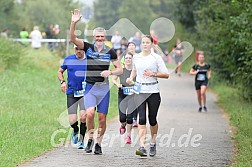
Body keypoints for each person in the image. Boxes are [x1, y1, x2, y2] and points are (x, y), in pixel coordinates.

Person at [70, 9, 123, 155]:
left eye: (102, 36)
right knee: (89, 114)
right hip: (90, 86)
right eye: (97, 36)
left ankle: (98, 143)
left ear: (105, 37)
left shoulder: (110, 52)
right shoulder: (88, 47)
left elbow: (120, 69)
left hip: (103, 88)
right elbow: (73, 38)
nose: (99, 38)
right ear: (94, 37)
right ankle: (90, 139)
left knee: (102, 118)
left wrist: (110, 72)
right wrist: (73, 23)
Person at [126, 35, 169, 157]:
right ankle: (142, 146)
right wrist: (130, 78)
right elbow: (134, 70)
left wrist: (153, 73)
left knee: (152, 119)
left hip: (153, 90)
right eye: (143, 42)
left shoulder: (156, 58)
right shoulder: (137, 57)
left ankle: (153, 143)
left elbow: (166, 75)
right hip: (140, 90)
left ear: (151, 44)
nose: (145, 44)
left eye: (147, 42)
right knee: (141, 118)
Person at [57, 44, 87, 149]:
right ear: (74, 49)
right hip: (72, 92)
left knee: (84, 117)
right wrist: (62, 82)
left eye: (81, 49)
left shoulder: (89, 60)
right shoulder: (68, 59)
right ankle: (75, 130)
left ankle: (82, 140)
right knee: (72, 120)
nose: (78, 51)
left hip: (85, 92)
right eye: (76, 49)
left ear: (84, 50)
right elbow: (60, 72)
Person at [112, 53, 136, 144]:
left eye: (130, 58)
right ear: (124, 60)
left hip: (132, 95)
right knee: (122, 117)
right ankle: (122, 125)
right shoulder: (121, 70)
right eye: (127, 58)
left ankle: (128, 136)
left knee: (130, 118)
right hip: (122, 93)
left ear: (132, 59)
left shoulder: (135, 70)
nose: (128, 60)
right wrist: (118, 84)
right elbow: (113, 79)